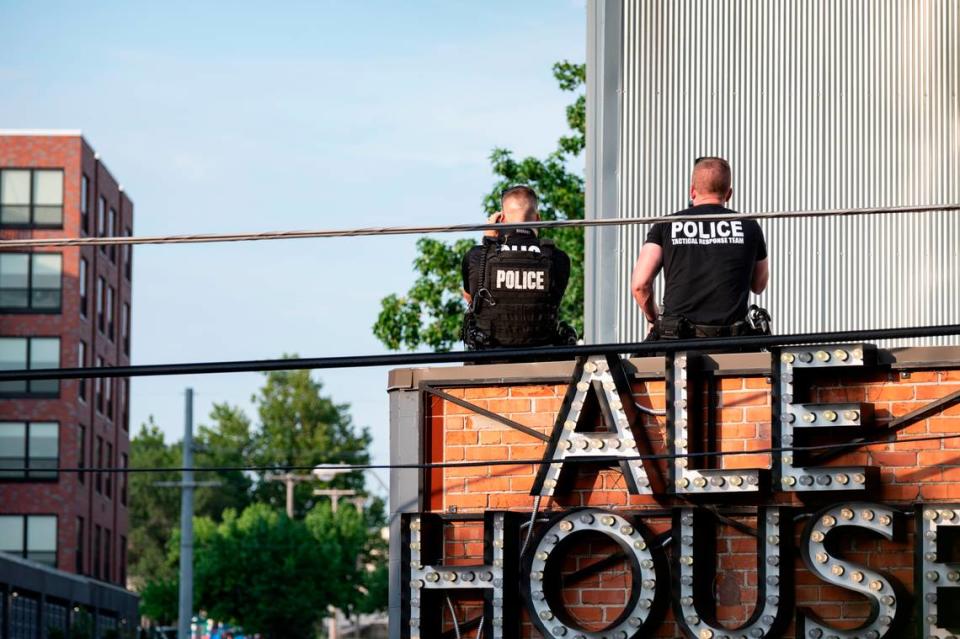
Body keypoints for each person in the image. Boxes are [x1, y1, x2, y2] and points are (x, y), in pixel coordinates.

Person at [630, 157, 769, 340]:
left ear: (692, 191)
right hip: (732, 345)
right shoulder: (749, 225)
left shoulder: (666, 224)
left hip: (677, 343)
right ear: (728, 194)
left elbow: (640, 285)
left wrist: (654, 320)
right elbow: (759, 286)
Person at [461, 185, 573, 349]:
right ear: (538, 219)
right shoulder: (558, 258)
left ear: (502, 219)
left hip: (487, 362)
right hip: (544, 361)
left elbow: (471, 300)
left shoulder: (476, 257)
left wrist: (488, 244)